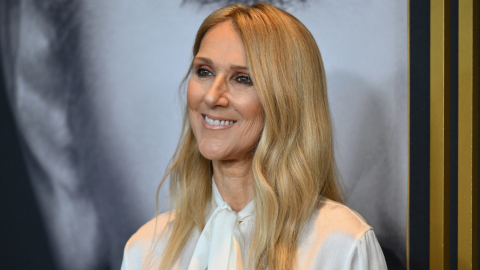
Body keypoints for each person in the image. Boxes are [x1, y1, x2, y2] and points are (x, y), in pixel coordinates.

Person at [121, 3, 387, 270]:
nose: (212, 96)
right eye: (204, 71)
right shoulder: (146, 248)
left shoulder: (341, 245)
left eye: (242, 78)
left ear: (288, 100)